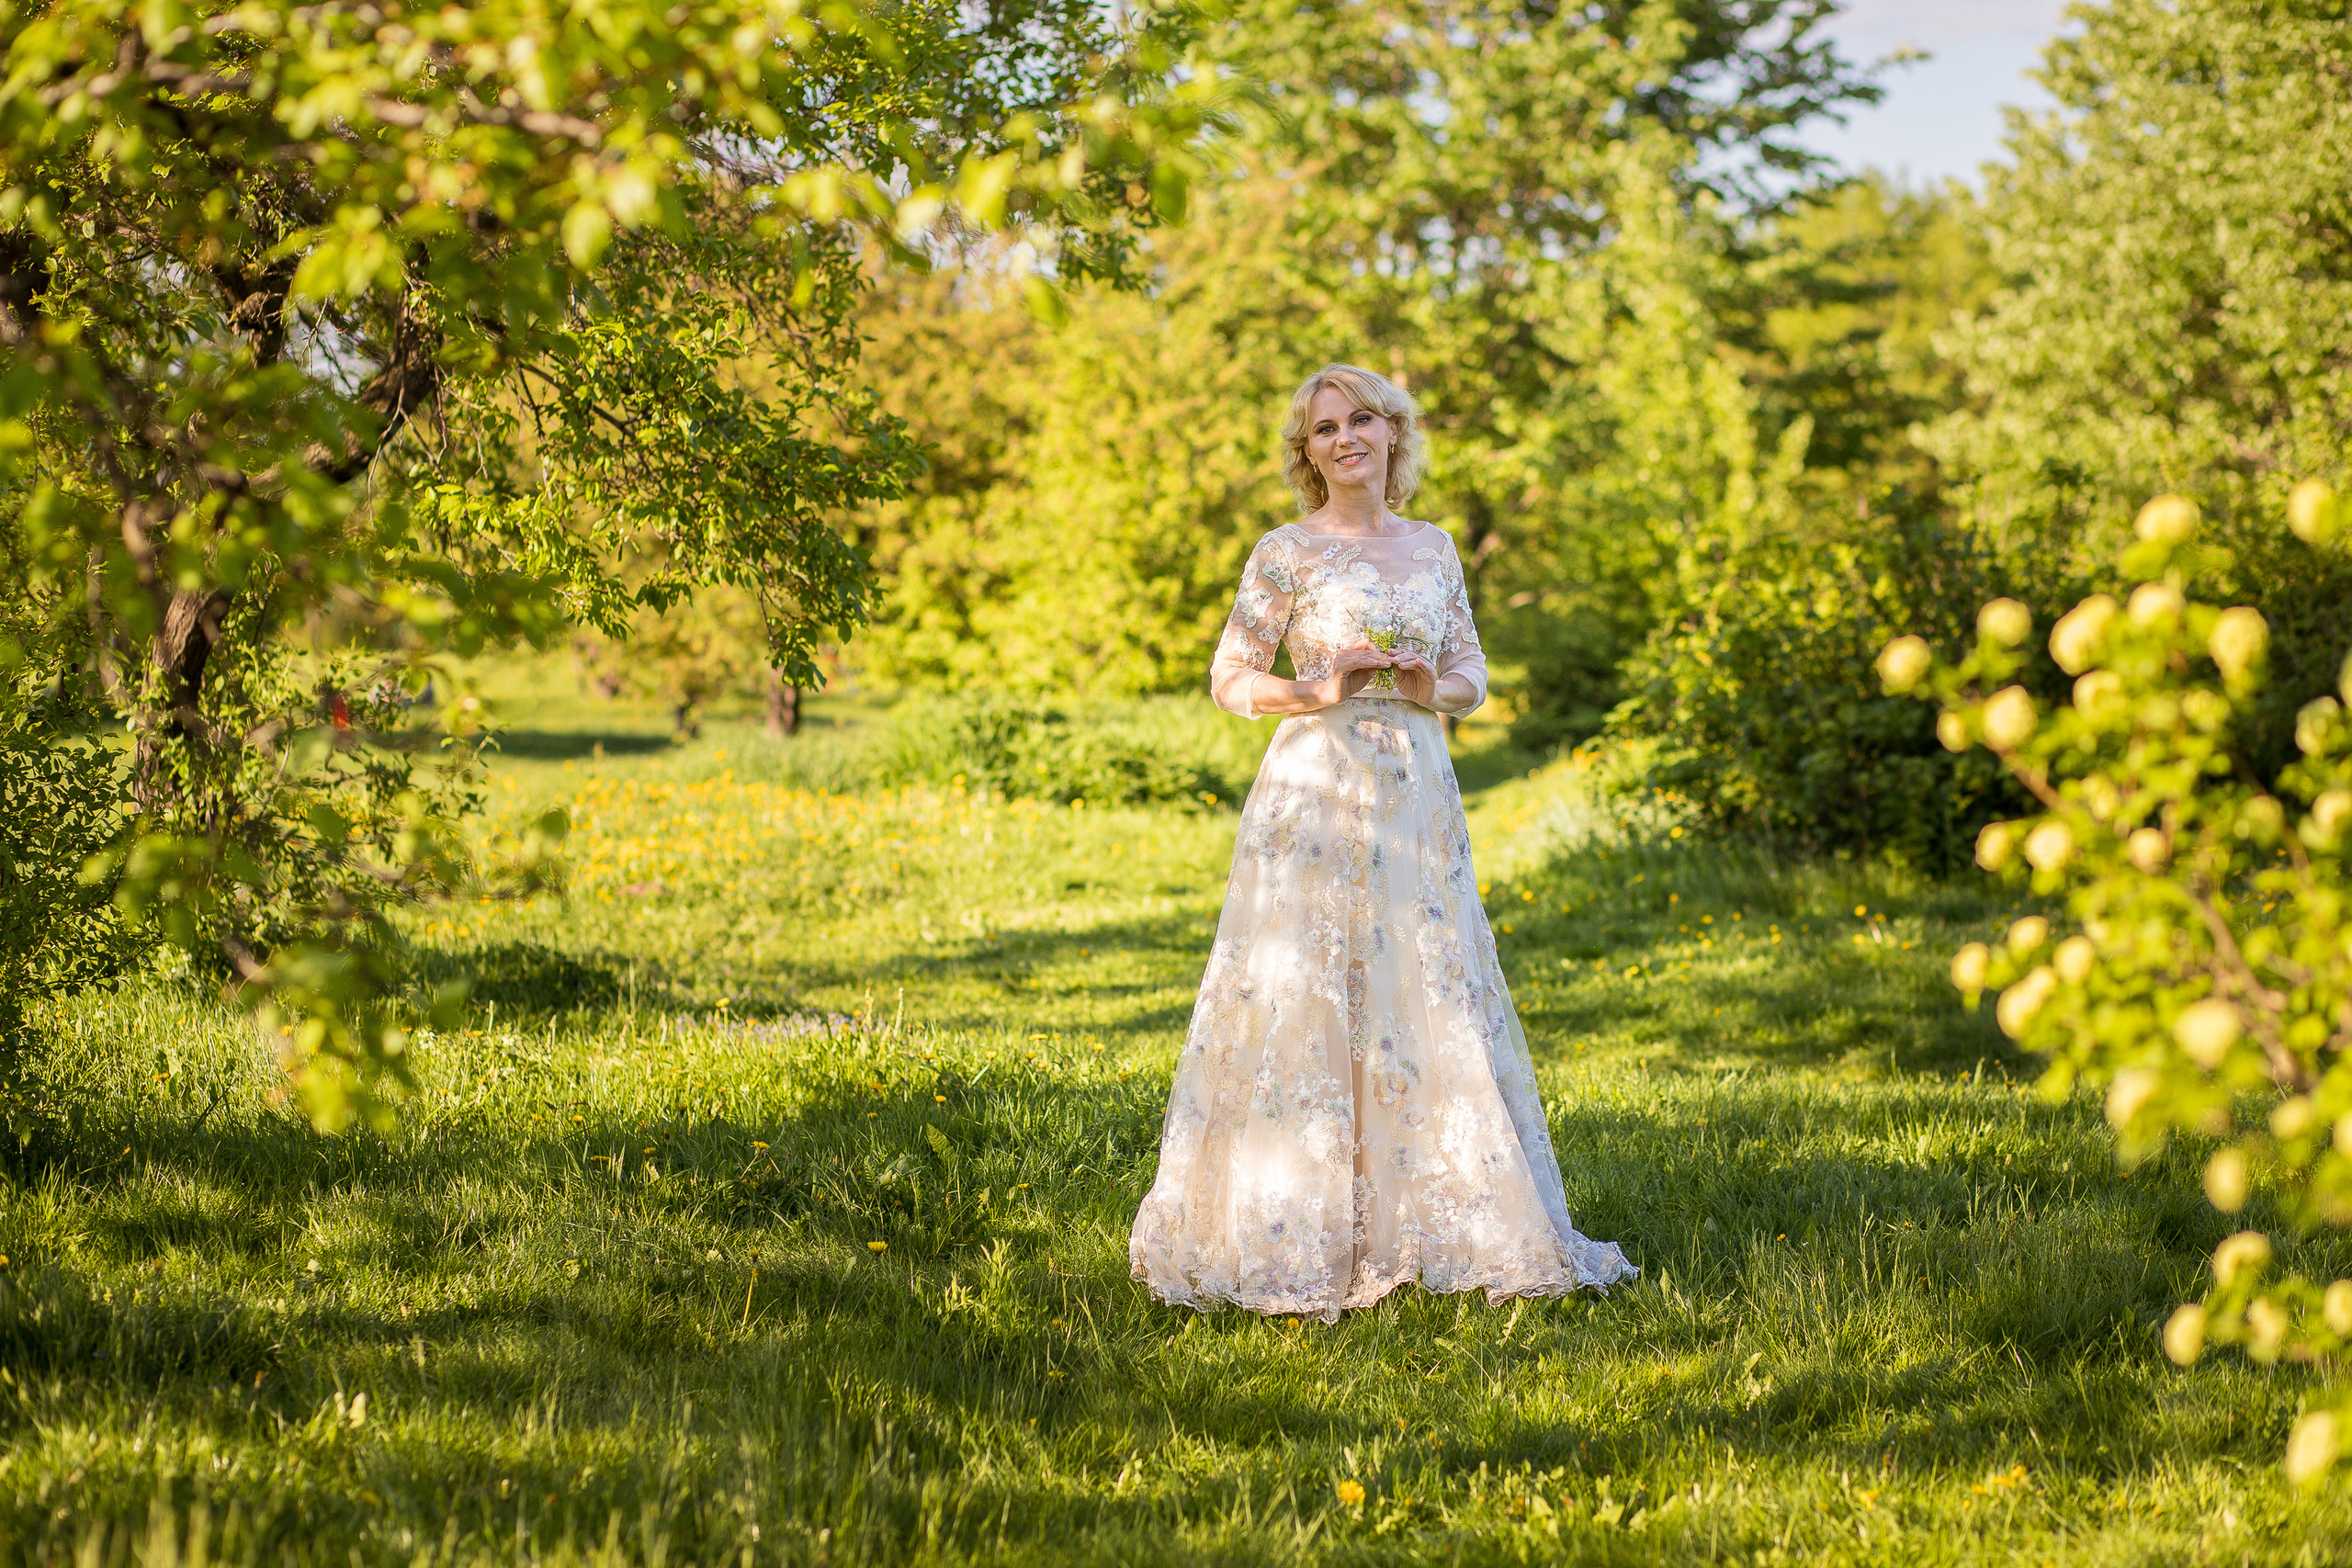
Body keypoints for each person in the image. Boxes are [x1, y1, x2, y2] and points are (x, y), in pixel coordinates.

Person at [1128, 363, 1638, 1323]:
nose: (1346, 438)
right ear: (1308, 452)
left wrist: (1428, 689)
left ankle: (1432, 1215)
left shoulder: (1434, 548)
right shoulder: (1285, 551)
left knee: (1422, 980)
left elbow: (1471, 669)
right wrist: (1318, 689)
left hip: (1415, 793)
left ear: (1393, 432)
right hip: (1312, 790)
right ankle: (1298, 1219)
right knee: (1309, 988)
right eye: (1325, 428)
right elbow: (1230, 676)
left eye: (1361, 419)